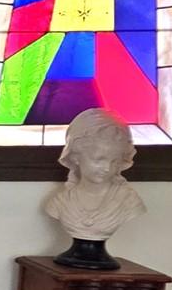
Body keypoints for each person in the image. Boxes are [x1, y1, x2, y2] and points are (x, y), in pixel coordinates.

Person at [43, 108, 145, 268]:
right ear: (76, 157)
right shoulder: (61, 201)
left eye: (114, 161)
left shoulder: (128, 200)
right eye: (99, 160)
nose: (106, 168)